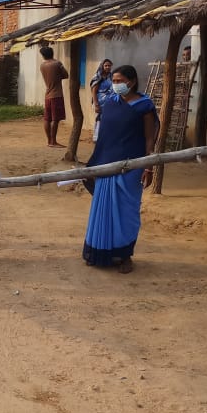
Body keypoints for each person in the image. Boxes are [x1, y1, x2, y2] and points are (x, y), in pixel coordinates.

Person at [82, 64, 159, 274]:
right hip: (106, 165)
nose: (116, 85)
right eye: (113, 81)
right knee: (102, 210)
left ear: (131, 82)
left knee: (126, 213)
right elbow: (104, 137)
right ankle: (98, 253)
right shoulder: (111, 103)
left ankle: (125, 256)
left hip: (131, 167)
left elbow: (149, 139)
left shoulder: (144, 106)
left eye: (119, 81)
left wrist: (148, 167)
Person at [39, 45, 69, 148]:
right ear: (52, 53)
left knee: (47, 118)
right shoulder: (57, 63)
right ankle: (53, 141)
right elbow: (66, 75)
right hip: (56, 95)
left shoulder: (42, 65)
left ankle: (49, 141)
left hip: (47, 94)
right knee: (55, 119)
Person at [89, 58, 113, 143]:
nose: (107, 67)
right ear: (102, 66)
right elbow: (94, 92)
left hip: (110, 101)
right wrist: (96, 104)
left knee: (108, 119)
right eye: (106, 65)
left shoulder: (111, 76)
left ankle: (106, 137)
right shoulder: (97, 77)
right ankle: (97, 137)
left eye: (109, 66)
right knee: (99, 119)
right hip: (99, 102)